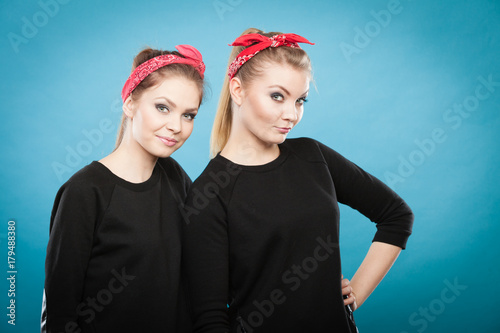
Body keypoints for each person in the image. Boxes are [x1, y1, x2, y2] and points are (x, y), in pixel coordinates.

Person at [182, 28, 414, 333]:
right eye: (277, 96)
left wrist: (355, 294)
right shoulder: (208, 194)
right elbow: (210, 318)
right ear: (237, 90)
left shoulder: (312, 156)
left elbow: (396, 216)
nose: (291, 114)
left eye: (300, 100)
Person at [42, 44, 206, 332]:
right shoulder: (85, 192)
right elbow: (59, 313)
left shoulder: (176, 178)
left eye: (188, 115)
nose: (176, 126)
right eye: (162, 107)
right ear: (130, 103)